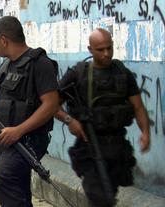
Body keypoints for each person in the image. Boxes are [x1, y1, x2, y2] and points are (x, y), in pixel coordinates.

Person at [55, 28, 150, 206]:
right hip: (89, 146)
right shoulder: (78, 74)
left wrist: (145, 133)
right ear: (90, 50)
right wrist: (69, 120)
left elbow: (138, 106)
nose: (107, 54)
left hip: (117, 147)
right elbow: (51, 104)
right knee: (100, 196)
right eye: (100, 50)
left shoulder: (122, 73)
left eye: (110, 48)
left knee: (109, 193)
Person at [0, 16, 60, 207]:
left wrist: (19, 130)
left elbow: (51, 105)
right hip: (6, 139)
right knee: (18, 188)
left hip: (29, 140)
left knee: (1, 176)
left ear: (4, 41)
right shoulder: (6, 66)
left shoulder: (40, 64)